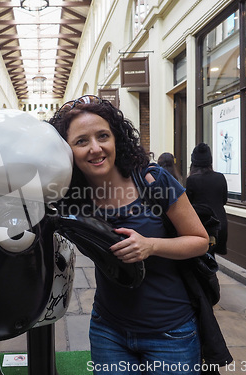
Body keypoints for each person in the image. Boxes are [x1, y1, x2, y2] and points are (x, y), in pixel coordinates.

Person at [49, 95, 210, 374]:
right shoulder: (71, 198)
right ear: (67, 151)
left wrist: (150, 245)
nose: (95, 148)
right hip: (108, 329)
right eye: (81, 141)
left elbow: (200, 241)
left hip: (171, 333)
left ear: (116, 139)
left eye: (103, 136)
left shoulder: (152, 179)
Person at [186, 142, 229, 255]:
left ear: (193, 162)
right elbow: (224, 200)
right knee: (211, 260)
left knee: (203, 263)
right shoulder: (220, 177)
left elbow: (187, 205)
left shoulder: (192, 180)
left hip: (202, 226)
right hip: (220, 224)